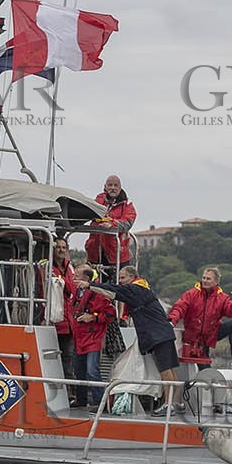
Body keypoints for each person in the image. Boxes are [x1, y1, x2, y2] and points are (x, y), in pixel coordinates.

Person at [91, 265, 183, 416]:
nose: (120, 281)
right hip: (163, 333)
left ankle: (168, 404)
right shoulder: (143, 289)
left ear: (132, 277)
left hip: (157, 335)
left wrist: (90, 285)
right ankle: (178, 403)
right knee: (170, 369)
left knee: (165, 370)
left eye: (123, 277)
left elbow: (114, 291)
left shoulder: (135, 289)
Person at [169, 267, 232, 370]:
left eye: (208, 279)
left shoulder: (222, 297)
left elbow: (231, 313)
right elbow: (179, 308)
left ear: (216, 281)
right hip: (194, 338)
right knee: (205, 370)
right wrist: (171, 321)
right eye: (204, 278)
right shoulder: (191, 294)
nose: (205, 280)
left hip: (211, 334)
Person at [69, 267, 117, 410]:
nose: (73, 279)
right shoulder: (76, 292)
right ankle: (81, 399)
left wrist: (93, 317)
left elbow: (110, 313)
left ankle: (100, 403)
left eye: (76, 276)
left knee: (92, 370)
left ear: (86, 279)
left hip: (93, 337)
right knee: (79, 370)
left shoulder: (98, 294)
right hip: (79, 336)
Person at [84, 175, 137, 283]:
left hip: (117, 254)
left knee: (119, 285)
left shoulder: (127, 206)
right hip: (95, 252)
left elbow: (127, 223)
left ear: (120, 188)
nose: (113, 188)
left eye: (115, 185)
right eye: (110, 185)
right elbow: (85, 214)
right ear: (105, 187)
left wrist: (112, 224)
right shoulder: (96, 202)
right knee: (94, 285)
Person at [46, 241, 81, 402]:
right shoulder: (47, 266)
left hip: (67, 323)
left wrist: (62, 281)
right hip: (52, 322)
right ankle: (55, 394)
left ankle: (69, 393)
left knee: (68, 358)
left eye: (63, 247)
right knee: (52, 359)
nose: (61, 250)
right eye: (58, 247)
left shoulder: (69, 267)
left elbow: (72, 289)